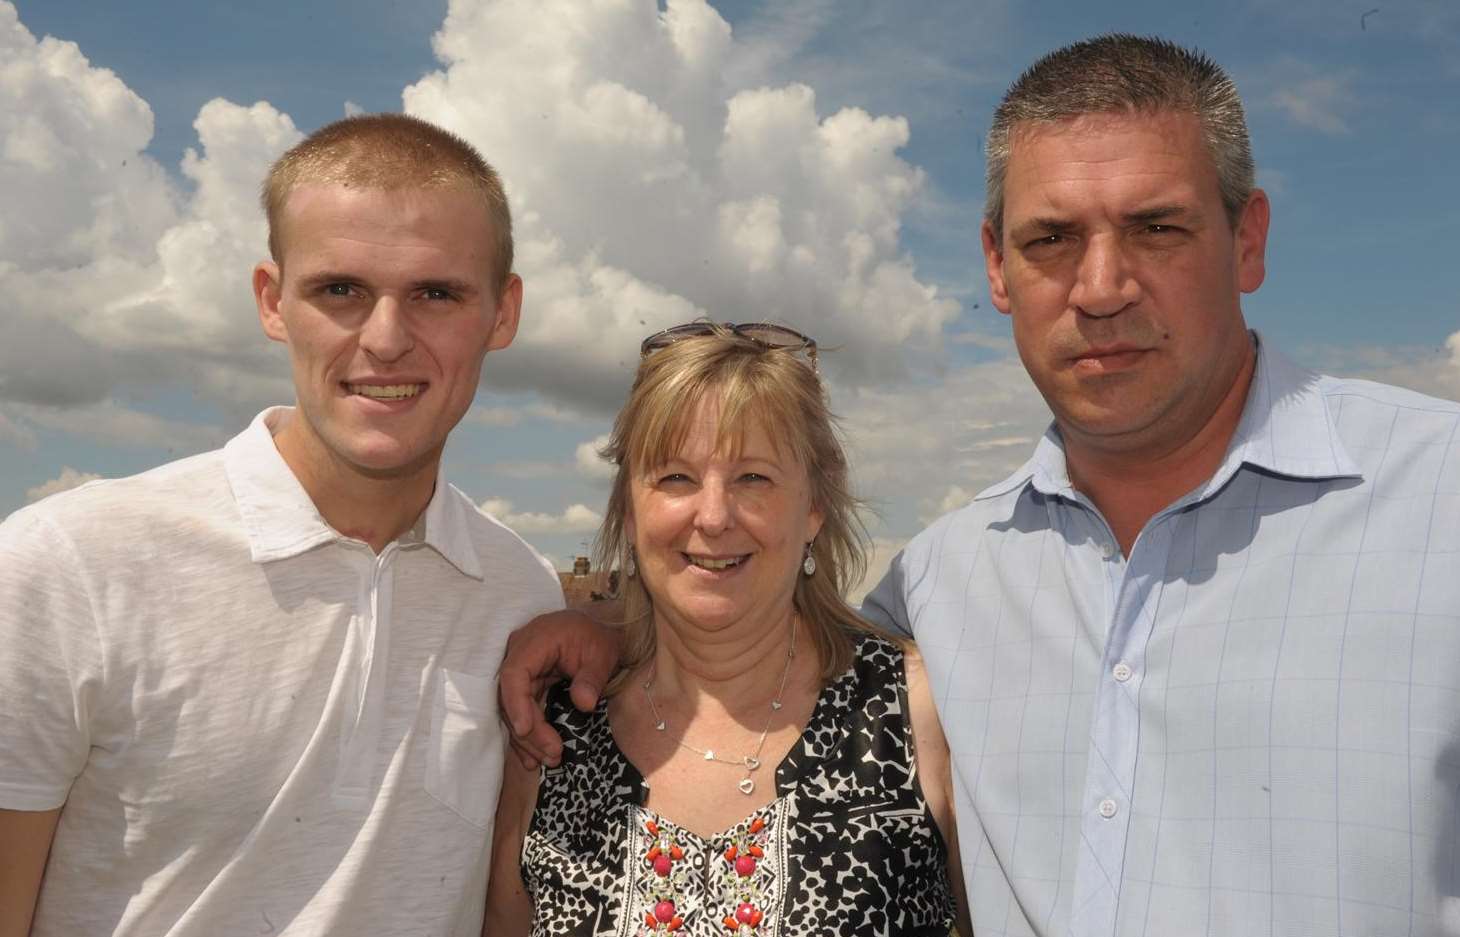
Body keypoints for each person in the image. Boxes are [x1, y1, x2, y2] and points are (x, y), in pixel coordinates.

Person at [498, 35, 1460, 937]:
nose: (1102, 285)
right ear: (997, 266)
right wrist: (613, 623)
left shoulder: (1438, 499)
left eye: (1156, 227)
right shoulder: (948, 577)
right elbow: (752, 615)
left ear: (1247, 239)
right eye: (1051, 239)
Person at [0, 114, 563, 937]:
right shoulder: (68, 567)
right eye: (340, 290)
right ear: (272, 301)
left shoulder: (520, 593)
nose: (386, 338)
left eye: (436, 293)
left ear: (502, 313)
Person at [483, 323, 972, 935]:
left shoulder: (917, 712)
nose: (713, 517)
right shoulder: (552, 739)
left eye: (754, 478)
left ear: (814, 507)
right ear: (630, 512)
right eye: (676, 478)